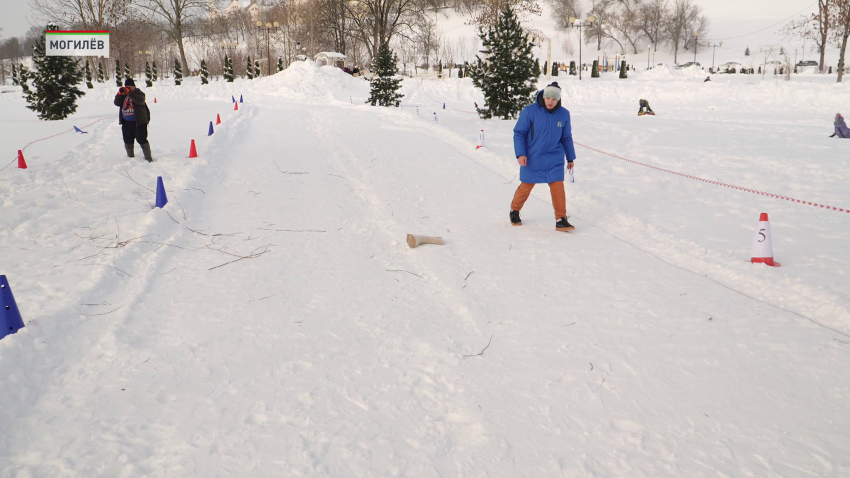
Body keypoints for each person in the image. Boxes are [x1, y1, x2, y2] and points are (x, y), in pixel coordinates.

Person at [510, 82, 576, 232]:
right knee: (525, 187)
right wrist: (521, 154)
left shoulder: (564, 114)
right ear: (543, 96)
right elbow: (519, 133)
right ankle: (514, 210)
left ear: (558, 99)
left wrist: (570, 158)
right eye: (547, 97)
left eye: (554, 98)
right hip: (533, 157)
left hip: (555, 158)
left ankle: (561, 219)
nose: (550, 101)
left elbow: (566, 137)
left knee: (558, 188)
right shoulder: (530, 111)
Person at [114, 78, 152, 162]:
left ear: (134, 87)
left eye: (130, 87)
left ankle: (148, 158)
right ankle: (130, 158)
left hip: (139, 122)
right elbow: (116, 103)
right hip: (126, 122)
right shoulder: (123, 94)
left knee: (141, 139)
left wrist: (130, 93)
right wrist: (119, 94)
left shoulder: (139, 93)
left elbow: (140, 101)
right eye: (127, 87)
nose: (128, 89)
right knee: (127, 140)